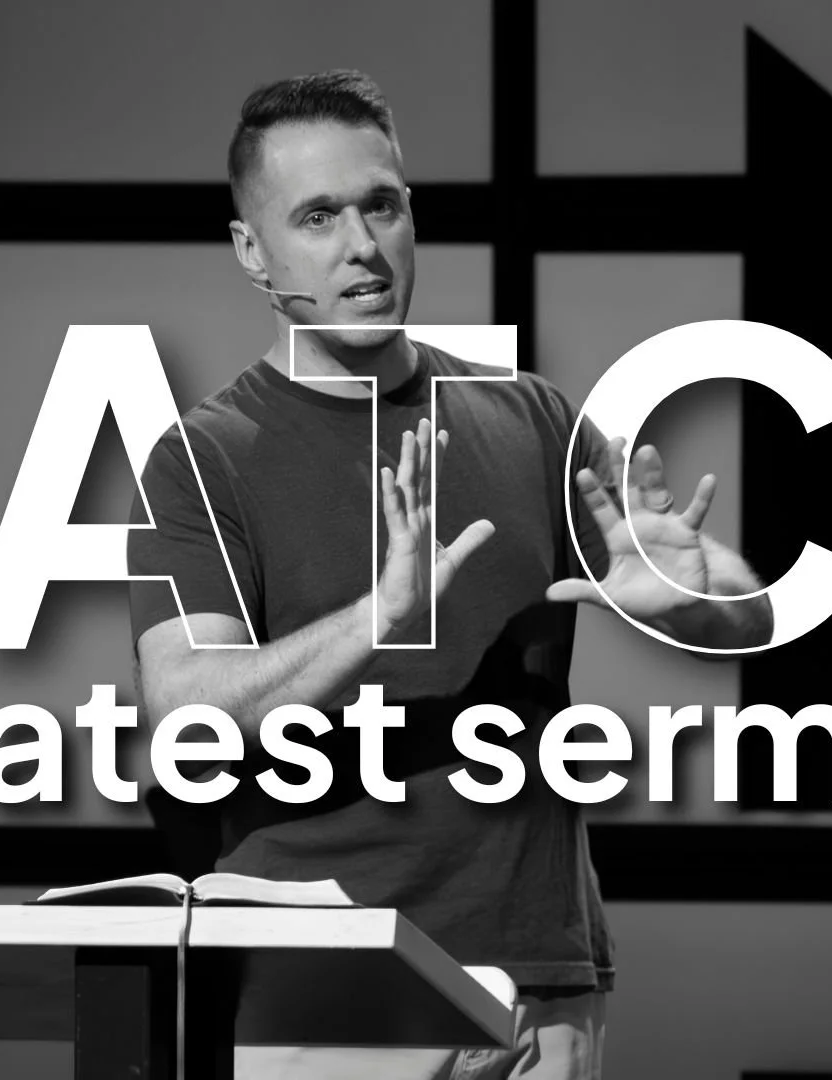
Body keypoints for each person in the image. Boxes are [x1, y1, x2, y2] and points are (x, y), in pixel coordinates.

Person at [126, 69, 773, 1080]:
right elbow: (183, 712)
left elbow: (747, 613)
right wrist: (378, 618)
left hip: (542, 979)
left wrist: (693, 592)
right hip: (325, 981)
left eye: (381, 204)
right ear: (254, 252)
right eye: (318, 216)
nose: (361, 246)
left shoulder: (529, 419)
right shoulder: (205, 457)